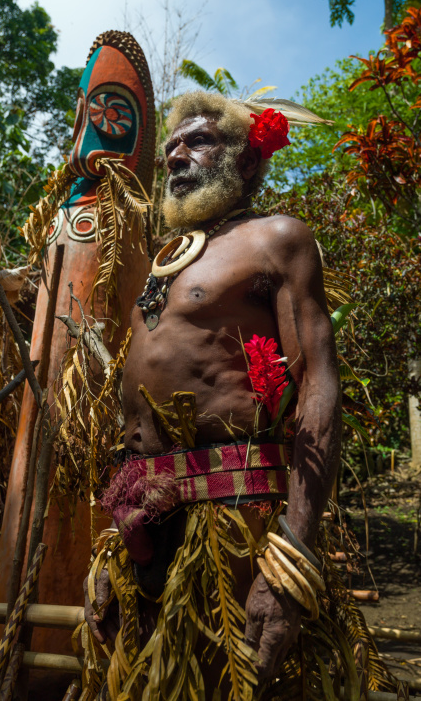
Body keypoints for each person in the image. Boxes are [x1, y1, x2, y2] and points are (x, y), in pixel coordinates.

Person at [81, 92, 382, 700]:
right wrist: (118, 534)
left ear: (246, 162)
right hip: (143, 521)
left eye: (197, 141)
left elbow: (318, 385)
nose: (175, 155)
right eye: (170, 145)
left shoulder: (277, 239)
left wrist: (291, 556)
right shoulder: (163, 261)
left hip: (233, 527)